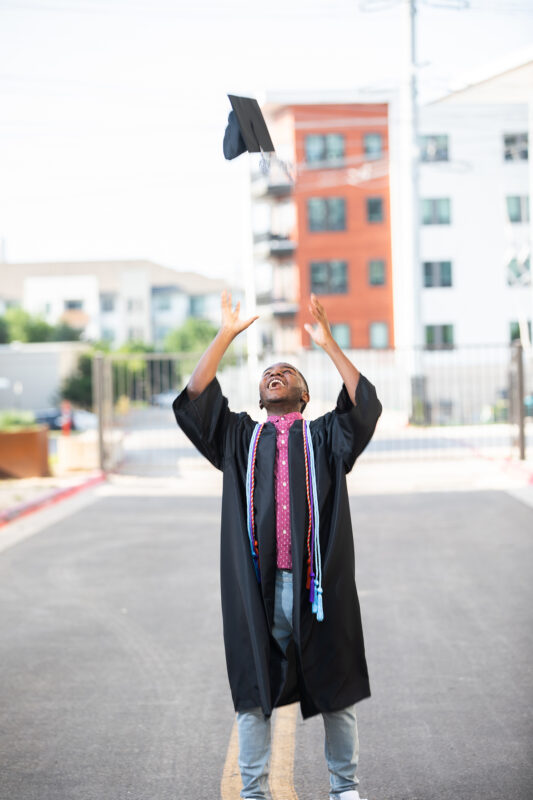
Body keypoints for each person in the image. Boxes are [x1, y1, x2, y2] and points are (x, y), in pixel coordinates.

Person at [173, 291, 382, 800]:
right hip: (258, 591)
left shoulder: (326, 438)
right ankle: (254, 792)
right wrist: (225, 334)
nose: (276, 373)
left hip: (317, 587)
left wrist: (328, 342)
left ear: (305, 396)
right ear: (260, 397)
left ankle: (344, 790)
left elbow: (365, 405)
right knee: (253, 694)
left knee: (337, 691)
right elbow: (196, 395)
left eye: (288, 371)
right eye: (269, 373)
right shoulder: (239, 439)